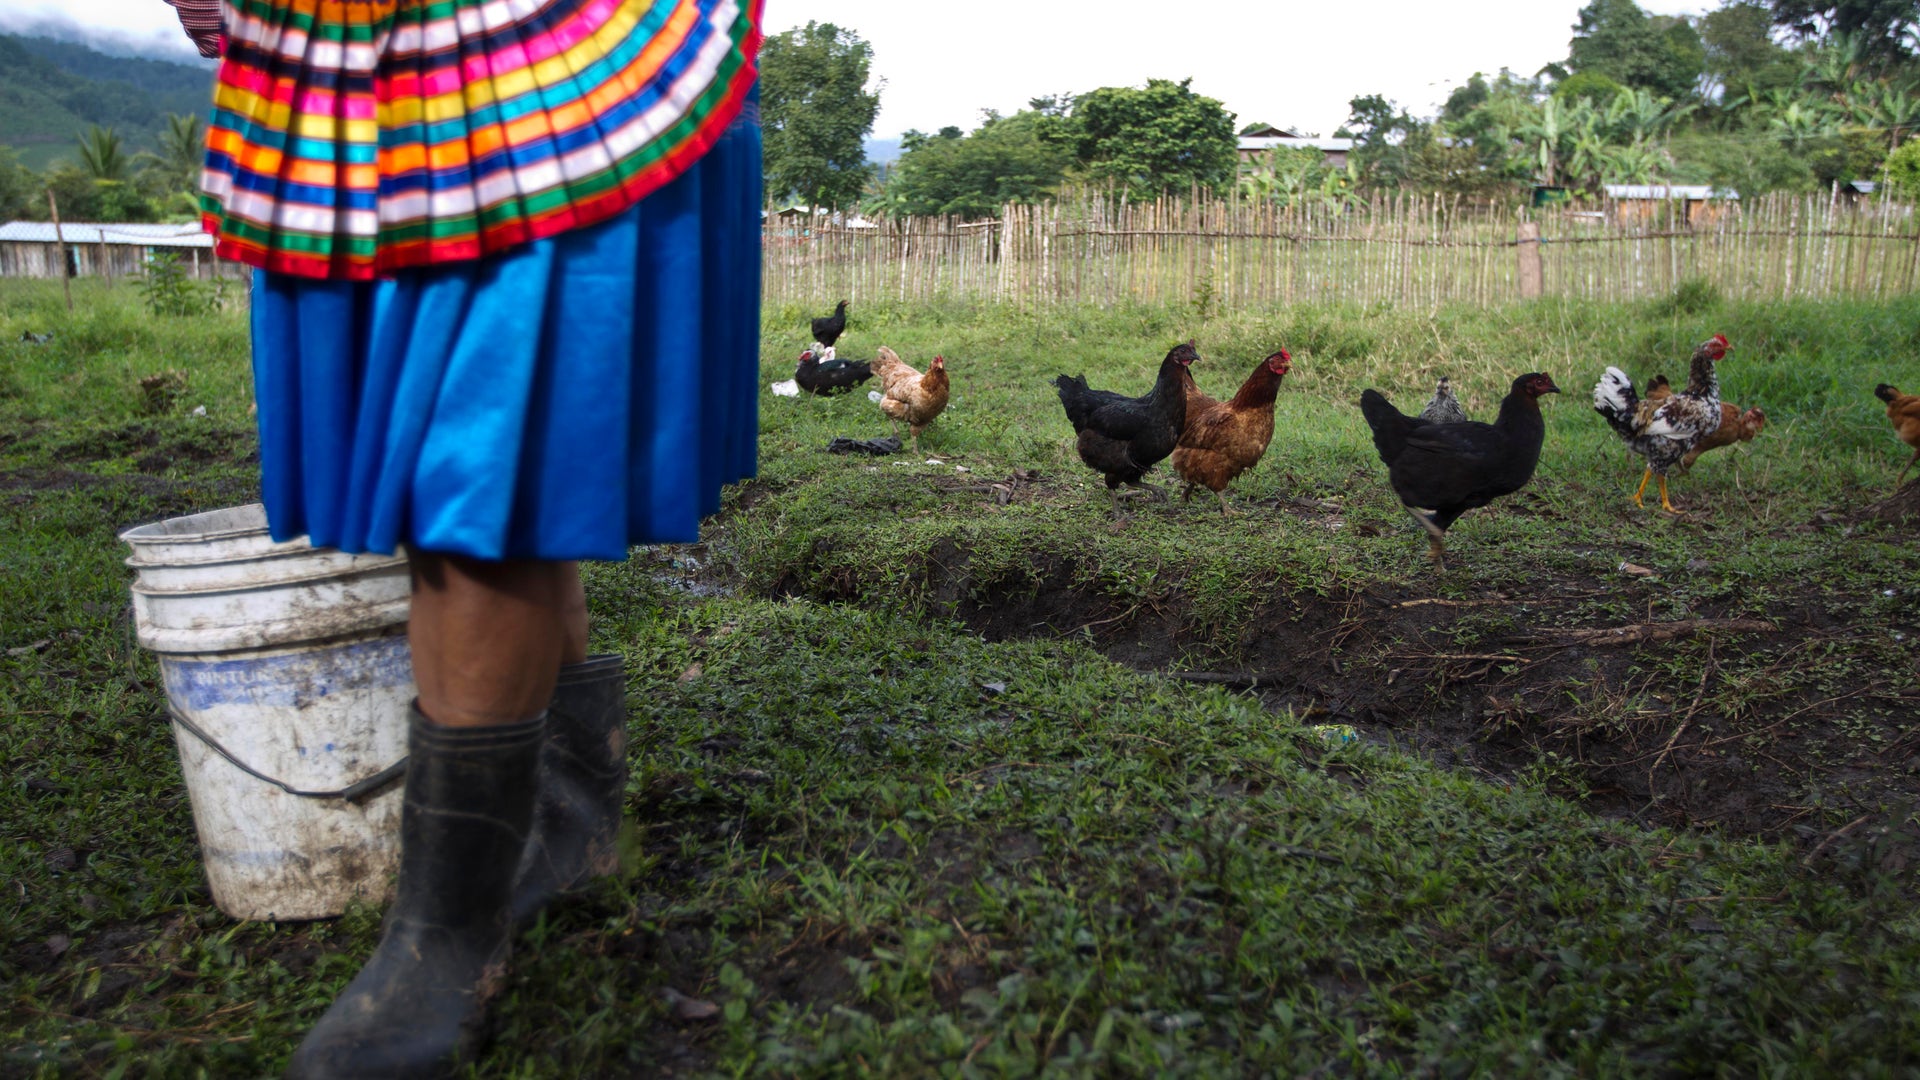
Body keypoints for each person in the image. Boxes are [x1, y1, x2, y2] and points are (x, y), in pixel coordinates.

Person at [167, 1, 765, 1075]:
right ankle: (574, 820)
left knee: (480, 480)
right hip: (364, 55)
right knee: (499, 484)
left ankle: (446, 939)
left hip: (524, 64)